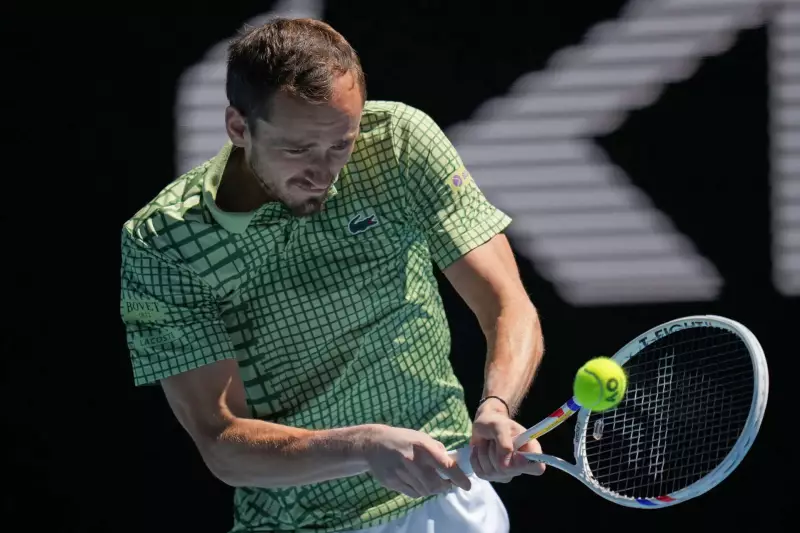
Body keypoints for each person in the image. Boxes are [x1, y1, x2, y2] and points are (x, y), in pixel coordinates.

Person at [119, 17, 545, 533]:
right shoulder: (165, 240)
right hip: (299, 523)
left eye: (340, 144)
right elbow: (222, 443)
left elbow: (507, 303)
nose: (323, 172)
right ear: (238, 127)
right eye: (297, 150)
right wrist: (360, 447)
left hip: (450, 501)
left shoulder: (398, 144)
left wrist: (497, 405)